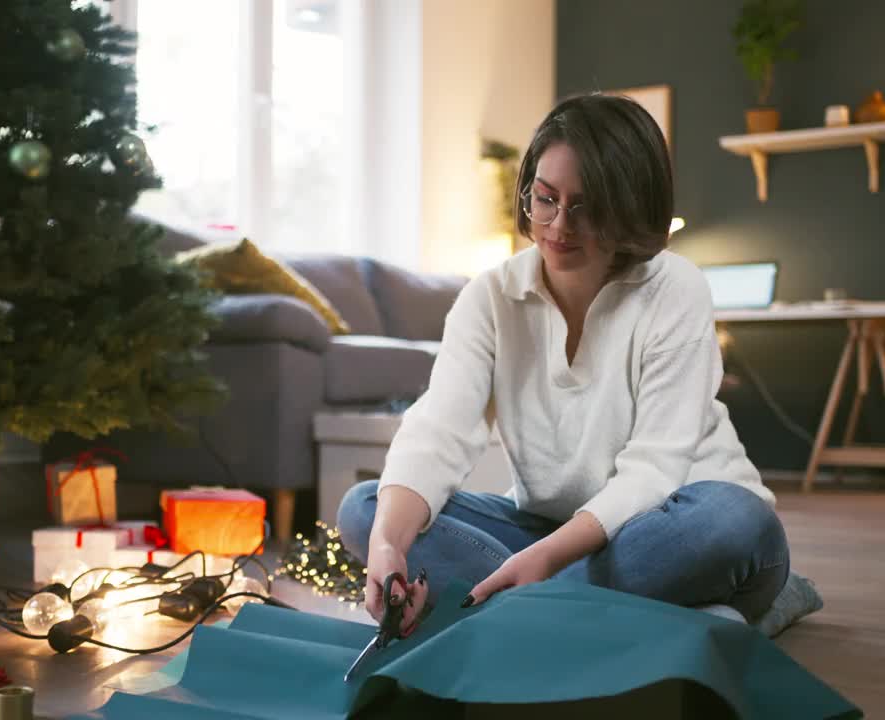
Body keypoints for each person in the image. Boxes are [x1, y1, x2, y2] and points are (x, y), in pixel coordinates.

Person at [336, 93, 789, 633]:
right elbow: (438, 432)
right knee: (366, 508)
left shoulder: (676, 288)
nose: (559, 226)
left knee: (733, 521)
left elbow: (654, 469)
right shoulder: (490, 298)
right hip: (548, 531)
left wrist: (548, 561)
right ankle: (629, 618)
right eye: (546, 199)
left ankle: (520, 614)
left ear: (628, 206)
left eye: (587, 206)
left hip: (674, 521)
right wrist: (388, 546)